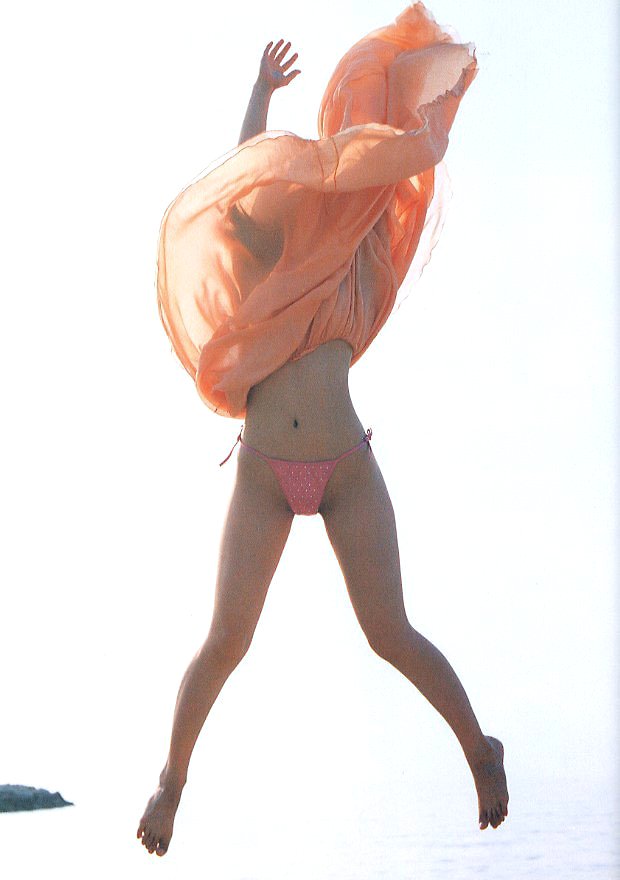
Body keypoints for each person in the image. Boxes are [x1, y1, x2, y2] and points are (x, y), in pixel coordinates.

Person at [137, 3, 509, 858]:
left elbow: (393, 164)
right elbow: (243, 177)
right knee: (226, 641)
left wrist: (420, 106)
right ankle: (172, 783)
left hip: (344, 466)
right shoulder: (273, 247)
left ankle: (479, 751)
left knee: (390, 632)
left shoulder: (361, 252)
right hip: (266, 470)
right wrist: (260, 93)